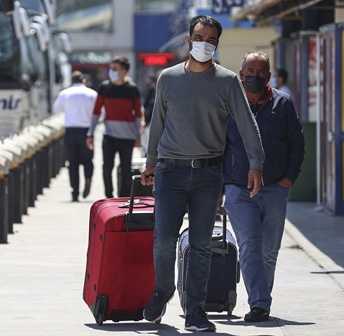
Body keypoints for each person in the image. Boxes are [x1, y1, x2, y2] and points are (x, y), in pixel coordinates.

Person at [139, 15, 265, 332]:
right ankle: (163, 290)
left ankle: (195, 310)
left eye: (211, 39)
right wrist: (151, 161)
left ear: (217, 44)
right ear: (188, 39)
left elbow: (247, 124)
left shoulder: (226, 81)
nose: (204, 43)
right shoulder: (167, 78)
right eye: (199, 37)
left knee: (200, 245)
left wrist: (256, 163)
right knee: (164, 241)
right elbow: (158, 123)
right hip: (169, 171)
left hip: (208, 173)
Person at [224, 51, 305, 323]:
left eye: (260, 72)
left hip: (274, 188)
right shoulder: (229, 104)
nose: (254, 76)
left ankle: (261, 300)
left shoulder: (282, 103)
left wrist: (287, 180)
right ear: (240, 73)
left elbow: (297, 143)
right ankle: (259, 302)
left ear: (269, 76)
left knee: (269, 249)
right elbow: (218, 146)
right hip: (238, 188)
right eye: (250, 70)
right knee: (249, 243)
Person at [86, 56, 142, 198]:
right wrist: (90, 134)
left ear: (124, 71)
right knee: (107, 168)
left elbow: (138, 114)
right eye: (111, 69)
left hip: (127, 137)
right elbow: (96, 112)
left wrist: (138, 136)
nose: (111, 71)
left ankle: (123, 198)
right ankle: (109, 197)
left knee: (126, 171)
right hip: (109, 136)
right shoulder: (104, 88)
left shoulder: (132, 90)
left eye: (114, 69)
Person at [53, 71, 97, 202]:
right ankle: (88, 177)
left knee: (73, 163)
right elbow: (100, 112)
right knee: (88, 160)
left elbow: (56, 110)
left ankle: (74, 192)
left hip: (70, 131)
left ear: (71, 80)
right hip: (87, 131)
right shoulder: (92, 94)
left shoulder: (65, 94)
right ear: (83, 80)